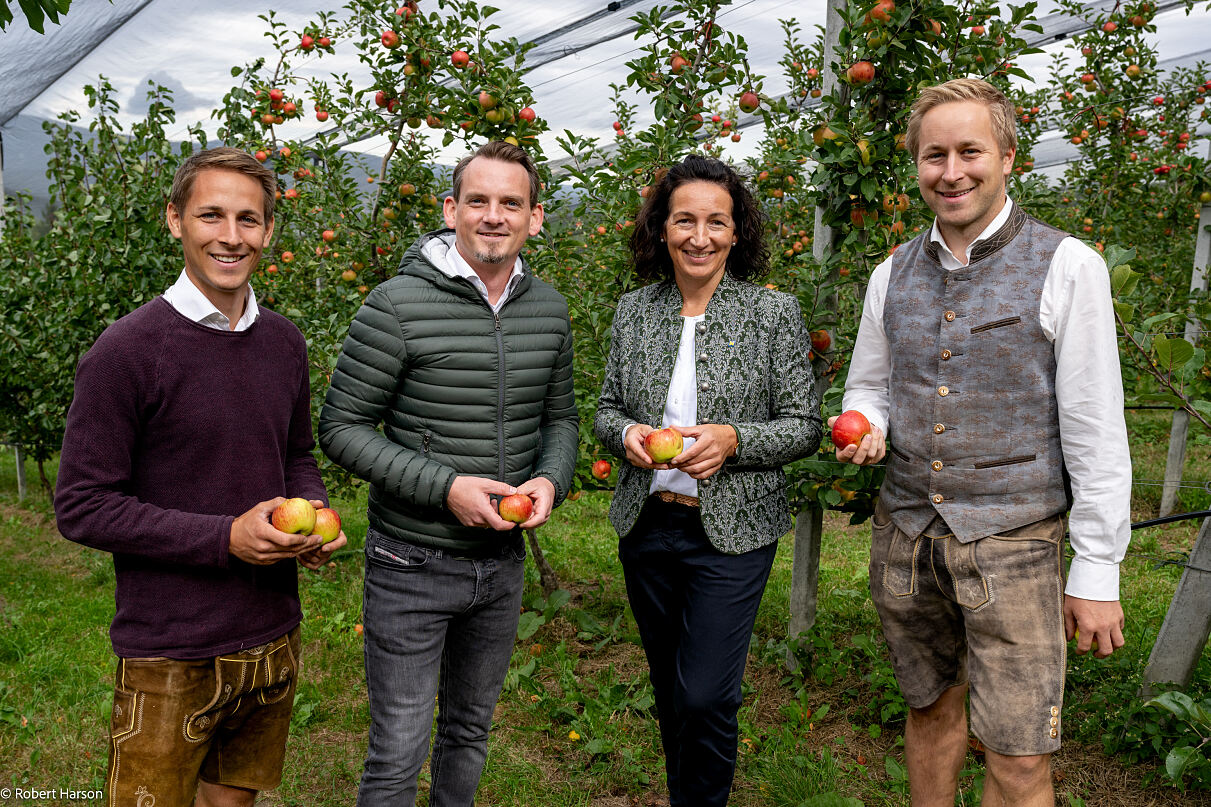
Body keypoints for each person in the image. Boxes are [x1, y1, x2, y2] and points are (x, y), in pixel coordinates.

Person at [834, 77, 1132, 806]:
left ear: (1006, 157)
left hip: (1014, 542)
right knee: (930, 709)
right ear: (915, 166)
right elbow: (868, 385)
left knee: (1020, 753)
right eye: (933, 155)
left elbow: (1096, 429)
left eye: (969, 150)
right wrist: (867, 426)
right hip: (906, 535)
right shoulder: (888, 273)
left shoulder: (1067, 266)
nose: (951, 170)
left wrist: (1096, 568)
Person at [54, 146, 347, 807]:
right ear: (175, 220)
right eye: (210, 214)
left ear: (269, 231)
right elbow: (81, 506)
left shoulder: (284, 343)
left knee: (234, 799)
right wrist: (225, 538)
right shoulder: (125, 352)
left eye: (249, 219)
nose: (230, 235)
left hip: (272, 632)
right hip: (170, 649)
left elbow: (295, 451)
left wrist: (314, 514)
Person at [318, 140, 578, 806]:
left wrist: (550, 479)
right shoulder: (397, 304)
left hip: (499, 564)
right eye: (479, 200)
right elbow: (341, 428)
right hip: (411, 560)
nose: (494, 216)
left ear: (535, 218)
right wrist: (446, 487)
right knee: (399, 745)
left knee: (467, 730)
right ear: (450, 208)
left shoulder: (547, 309)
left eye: (510, 203)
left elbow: (560, 421)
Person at [593, 154, 822, 806]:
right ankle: (684, 794)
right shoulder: (634, 311)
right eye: (684, 220)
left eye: (715, 222)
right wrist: (627, 435)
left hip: (733, 530)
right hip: (647, 523)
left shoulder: (769, 314)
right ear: (661, 228)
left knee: (705, 692)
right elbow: (606, 410)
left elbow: (804, 425)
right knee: (670, 687)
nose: (699, 236)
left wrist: (733, 438)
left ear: (735, 231)